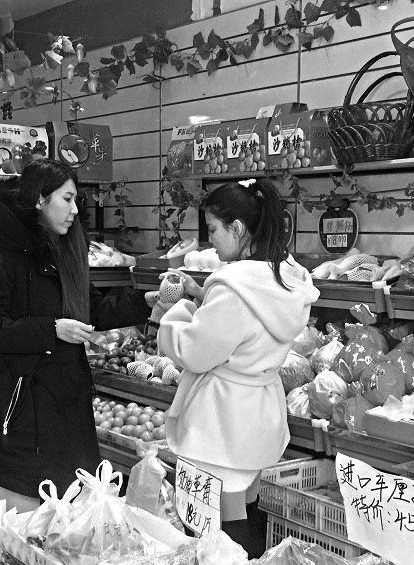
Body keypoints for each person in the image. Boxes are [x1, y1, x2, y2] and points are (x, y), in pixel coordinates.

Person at [0, 159, 154, 513]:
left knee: (73, 522)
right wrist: (51, 329)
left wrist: (144, 302)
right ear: (40, 199)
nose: (75, 210)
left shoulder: (64, 246)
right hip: (19, 403)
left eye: (76, 200)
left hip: (68, 399)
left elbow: (91, 309)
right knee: (24, 523)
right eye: (67, 199)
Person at [148, 178, 319, 557]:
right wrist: (203, 297)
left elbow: (194, 352)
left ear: (238, 228)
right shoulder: (283, 278)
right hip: (260, 410)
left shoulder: (232, 288)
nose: (210, 241)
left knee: (222, 516)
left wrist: (173, 312)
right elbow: (244, 327)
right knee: (247, 501)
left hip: (223, 417)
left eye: (213, 230)